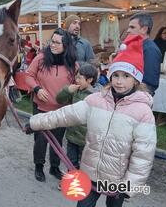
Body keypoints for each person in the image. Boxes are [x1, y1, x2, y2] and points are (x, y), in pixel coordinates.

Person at [25, 34, 156, 207]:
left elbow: (144, 154)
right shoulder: (96, 100)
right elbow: (64, 115)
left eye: (126, 76)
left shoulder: (143, 112)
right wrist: (35, 123)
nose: (119, 81)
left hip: (118, 181)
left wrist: (130, 185)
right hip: (89, 174)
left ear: (136, 79)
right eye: (115, 75)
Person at [25, 28, 77, 182]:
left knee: (58, 140)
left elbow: (77, 82)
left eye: (57, 42)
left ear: (66, 45)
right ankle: (39, 166)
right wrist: (37, 88)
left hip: (62, 111)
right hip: (41, 108)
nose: (52, 45)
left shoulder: (72, 64)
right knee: (40, 140)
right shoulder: (40, 58)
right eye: (51, 41)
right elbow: (28, 75)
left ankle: (54, 167)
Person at [56, 63, 98, 169]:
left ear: (89, 80)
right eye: (76, 77)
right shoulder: (75, 91)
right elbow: (59, 100)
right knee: (70, 162)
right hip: (72, 135)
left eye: (80, 78)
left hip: (85, 139)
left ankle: (80, 184)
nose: (77, 80)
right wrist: (67, 91)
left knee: (84, 165)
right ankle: (70, 183)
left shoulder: (95, 96)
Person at [127, 12, 162, 96]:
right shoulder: (138, 46)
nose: (128, 30)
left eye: (132, 27)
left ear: (144, 29)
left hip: (138, 98)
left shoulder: (150, 49)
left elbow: (150, 82)